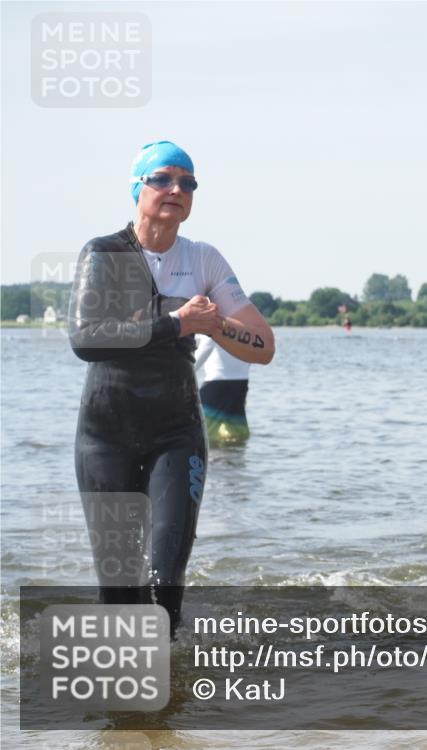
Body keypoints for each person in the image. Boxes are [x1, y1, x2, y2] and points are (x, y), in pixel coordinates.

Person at [69, 140, 275, 634]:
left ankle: (168, 693)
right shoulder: (106, 253)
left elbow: (263, 346)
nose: (176, 189)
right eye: (163, 179)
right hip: (106, 436)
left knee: (166, 580)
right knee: (120, 588)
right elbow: (86, 339)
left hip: (175, 433)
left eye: (187, 182)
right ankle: (125, 700)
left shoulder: (203, 259)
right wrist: (178, 323)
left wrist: (215, 325)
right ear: (137, 188)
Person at [194, 335, 251, 447]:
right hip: (241, 383)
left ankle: (216, 461)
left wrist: (184, 372)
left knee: (201, 428)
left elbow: (206, 347)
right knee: (235, 430)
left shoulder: (213, 322)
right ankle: (234, 461)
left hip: (217, 383)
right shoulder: (243, 323)